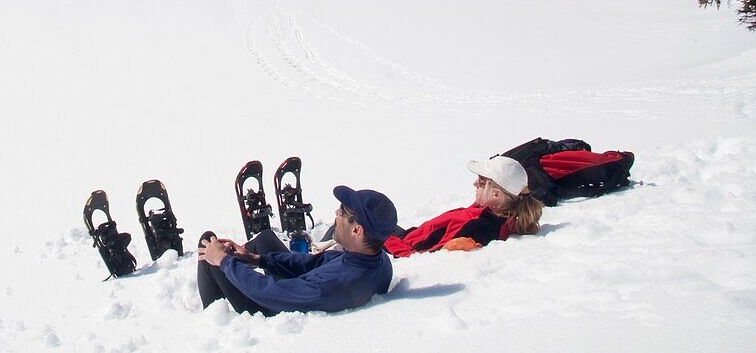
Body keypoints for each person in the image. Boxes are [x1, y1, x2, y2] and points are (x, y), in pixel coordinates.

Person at [197, 186, 395, 315]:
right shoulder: (377, 260)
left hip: (269, 306)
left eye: (342, 211)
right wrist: (256, 259)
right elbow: (314, 263)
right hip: (296, 291)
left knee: (208, 248)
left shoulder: (332, 285)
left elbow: (270, 291)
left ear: (356, 230)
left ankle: (215, 319)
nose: (336, 213)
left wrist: (223, 261)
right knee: (265, 238)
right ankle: (234, 263)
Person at [382, 155, 544, 257]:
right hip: (406, 236)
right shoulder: (497, 212)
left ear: (496, 194)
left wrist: (382, 238)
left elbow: (421, 256)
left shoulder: (477, 227)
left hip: (394, 245)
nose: (475, 183)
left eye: (481, 182)